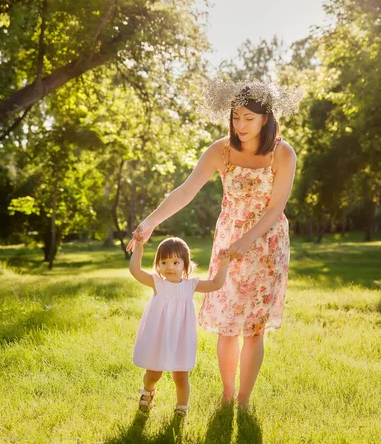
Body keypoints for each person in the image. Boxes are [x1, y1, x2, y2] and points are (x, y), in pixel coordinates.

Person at [127, 78, 302, 410]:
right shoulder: (220, 150)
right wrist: (150, 222)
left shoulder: (283, 153)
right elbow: (185, 190)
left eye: (249, 118)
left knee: (253, 328)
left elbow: (276, 206)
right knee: (227, 323)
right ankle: (226, 394)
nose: (241, 125)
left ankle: (245, 400)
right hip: (228, 243)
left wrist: (248, 239)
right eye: (236, 117)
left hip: (266, 244)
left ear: (266, 118)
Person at [129, 236, 230, 415]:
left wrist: (223, 264)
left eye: (176, 262)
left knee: (181, 375)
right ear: (158, 264)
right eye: (164, 262)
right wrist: (138, 248)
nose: (170, 267)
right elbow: (135, 270)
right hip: (159, 335)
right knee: (153, 373)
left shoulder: (191, 285)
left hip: (181, 337)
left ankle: (182, 407)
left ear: (185, 264)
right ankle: (148, 389)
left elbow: (216, 284)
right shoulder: (157, 283)